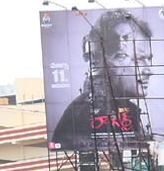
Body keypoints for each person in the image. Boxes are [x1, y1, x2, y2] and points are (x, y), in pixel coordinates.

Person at [50, 9, 158, 151]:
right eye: (140, 60)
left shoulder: (130, 111)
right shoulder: (79, 115)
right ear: (109, 60)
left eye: (149, 60)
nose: (150, 71)